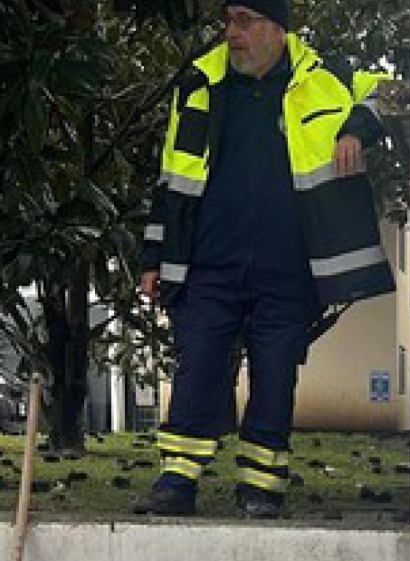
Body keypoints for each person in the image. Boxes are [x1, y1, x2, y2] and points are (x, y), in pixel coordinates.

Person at [133, 0, 394, 518]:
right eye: (229, 21)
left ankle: (260, 486)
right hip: (209, 261)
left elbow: (389, 92)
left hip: (290, 266)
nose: (233, 33)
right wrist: (153, 257)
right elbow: (172, 179)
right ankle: (176, 481)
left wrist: (356, 130)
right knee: (198, 365)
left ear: (278, 30)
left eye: (245, 22)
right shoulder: (199, 86)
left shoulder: (328, 78)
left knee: (275, 375)